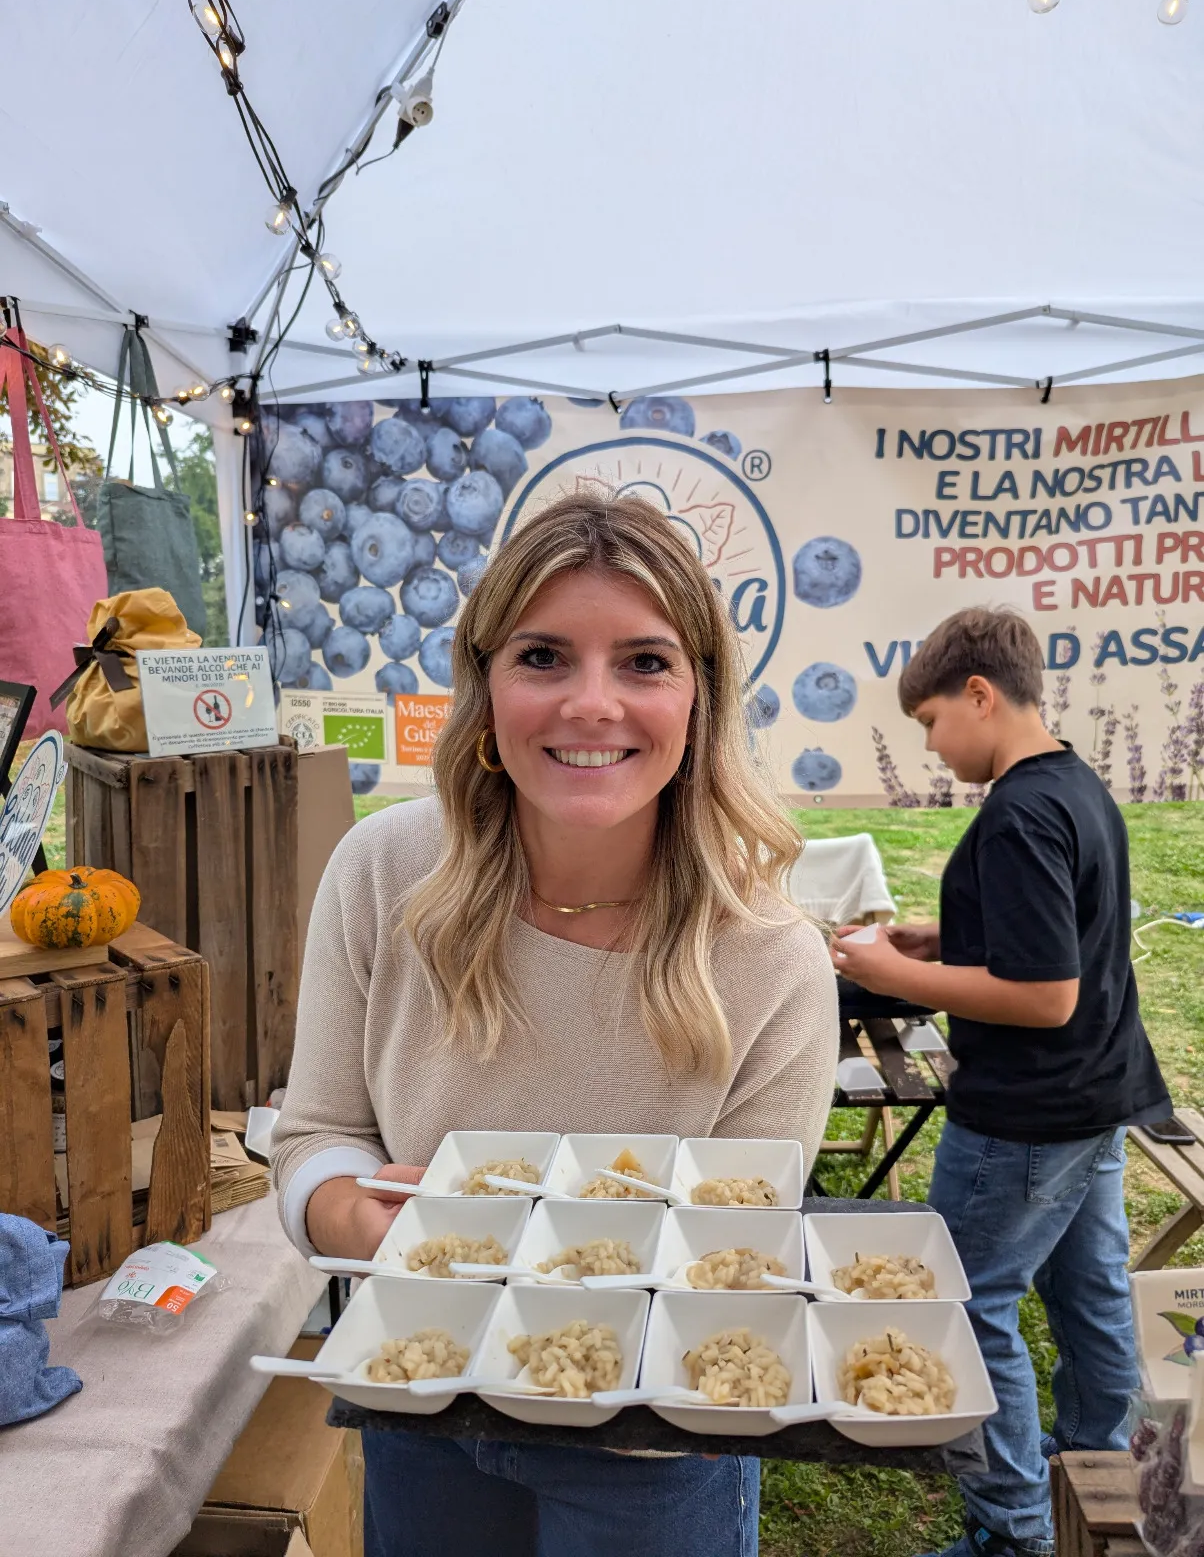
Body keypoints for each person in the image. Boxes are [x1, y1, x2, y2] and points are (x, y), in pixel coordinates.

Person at [272, 491, 839, 1557]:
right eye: (542, 656)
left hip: (655, 1443)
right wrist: (356, 1220)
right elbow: (318, 1136)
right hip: (423, 1392)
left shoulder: (771, 959)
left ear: (700, 697)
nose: (591, 703)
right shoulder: (382, 873)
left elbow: (740, 1248)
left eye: (644, 662)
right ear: (484, 682)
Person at [831, 606, 1170, 1557]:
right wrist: (941, 939)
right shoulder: (1074, 785)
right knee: (1090, 1292)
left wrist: (893, 976)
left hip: (1027, 1113)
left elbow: (1047, 994)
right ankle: (1103, 1469)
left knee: (967, 1305)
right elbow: (1061, 927)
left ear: (979, 694)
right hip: (1097, 1095)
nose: (931, 748)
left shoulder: (1017, 812)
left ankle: (1014, 1529)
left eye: (931, 721)